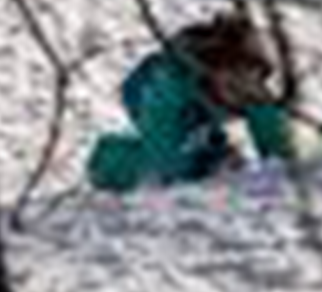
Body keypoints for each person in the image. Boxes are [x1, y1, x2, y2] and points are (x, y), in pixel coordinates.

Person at [86, 11, 295, 193]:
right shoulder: (170, 84)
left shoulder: (248, 86)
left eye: (251, 80)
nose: (243, 92)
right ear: (216, 69)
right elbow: (167, 158)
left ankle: (206, 150)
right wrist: (202, 168)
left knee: (207, 146)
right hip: (147, 95)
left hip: (199, 108)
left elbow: (277, 144)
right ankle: (107, 160)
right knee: (164, 165)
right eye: (234, 81)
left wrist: (282, 158)